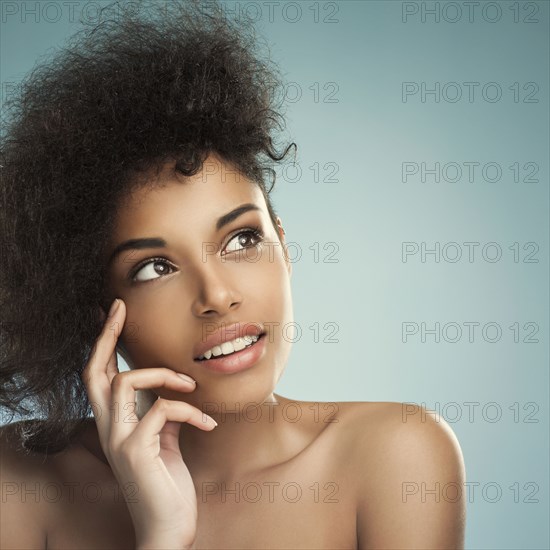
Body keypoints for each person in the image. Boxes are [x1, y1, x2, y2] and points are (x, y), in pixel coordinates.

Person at [0, 1, 466, 548]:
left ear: (283, 247)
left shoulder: (398, 456)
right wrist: (162, 535)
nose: (217, 295)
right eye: (155, 267)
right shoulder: (21, 478)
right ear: (97, 309)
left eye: (242, 239)